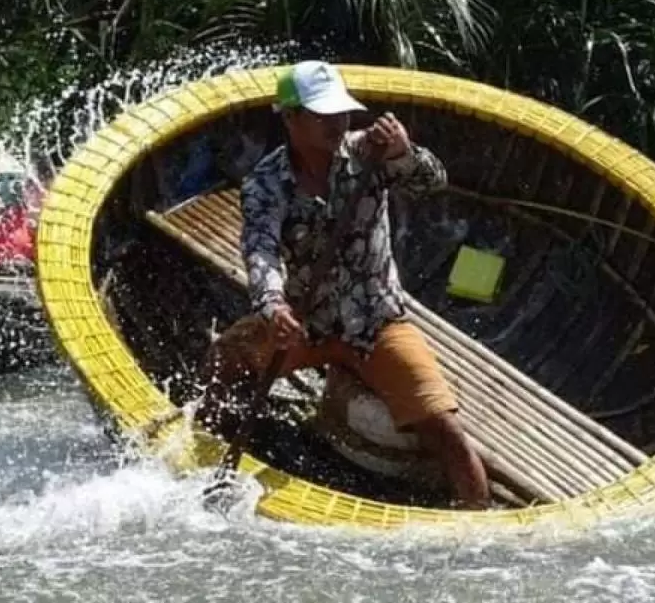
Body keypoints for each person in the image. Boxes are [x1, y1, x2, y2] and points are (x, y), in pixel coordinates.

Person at [196, 60, 491, 510]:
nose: (338, 123)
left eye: (342, 113)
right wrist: (273, 305)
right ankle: (202, 463)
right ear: (291, 119)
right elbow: (261, 251)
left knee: (447, 432)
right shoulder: (265, 184)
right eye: (323, 115)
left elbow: (433, 181)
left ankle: (477, 517)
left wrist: (403, 152)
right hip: (305, 321)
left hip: (376, 323)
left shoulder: (367, 153)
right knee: (223, 362)